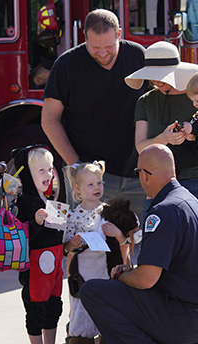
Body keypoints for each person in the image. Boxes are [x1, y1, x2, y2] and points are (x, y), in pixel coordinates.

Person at [80, 144, 198, 344]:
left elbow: (146, 279)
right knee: (136, 307)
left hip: (189, 318)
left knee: (94, 292)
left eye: (138, 173)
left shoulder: (163, 211)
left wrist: (122, 274)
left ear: (145, 175)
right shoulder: (190, 201)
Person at [42, 9, 147, 215]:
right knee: (87, 244)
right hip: (89, 177)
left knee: (138, 241)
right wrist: (77, 167)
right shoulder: (66, 65)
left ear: (119, 33)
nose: (102, 53)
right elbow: (49, 119)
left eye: (109, 46)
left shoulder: (139, 56)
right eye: (95, 47)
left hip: (138, 174)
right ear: (85, 37)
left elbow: (158, 106)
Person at [125, 41, 198, 223]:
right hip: (160, 185)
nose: (156, 81)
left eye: (161, 76)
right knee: (159, 246)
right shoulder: (145, 102)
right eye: (152, 75)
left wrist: (193, 135)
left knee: (197, 249)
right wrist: (164, 138)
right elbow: (141, 148)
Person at [63, 161, 133, 344]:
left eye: (100, 183)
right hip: (83, 270)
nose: (97, 188)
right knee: (81, 307)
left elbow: (126, 241)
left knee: (110, 306)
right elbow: (66, 247)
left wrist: (118, 233)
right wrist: (72, 245)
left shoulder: (111, 212)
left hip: (107, 268)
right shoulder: (74, 216)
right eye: (91, 185)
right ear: (77, 188)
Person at [12, 145, 72, 344]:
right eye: (41, 171)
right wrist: (34, 223)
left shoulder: (47, 199)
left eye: (50, 169)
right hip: (36, 265)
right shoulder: (25, 201)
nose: (48, 175)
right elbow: (22, 238)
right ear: (27, 174)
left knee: (54, 305)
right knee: (36, 307)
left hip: (55, 262)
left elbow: (58, 231)